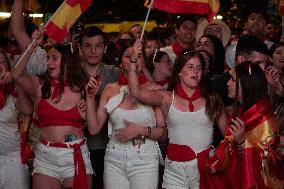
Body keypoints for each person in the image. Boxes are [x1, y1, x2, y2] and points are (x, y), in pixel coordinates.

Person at [128, 40, 227, 189]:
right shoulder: (166, 98)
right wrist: (133, 60)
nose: (195, 72)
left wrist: (220, 159)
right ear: (179, 70)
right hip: (174, 171)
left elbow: (229, 136)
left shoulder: (212, 98)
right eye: (190, 67)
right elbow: (135, 92)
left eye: (199, 68)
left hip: (205, 167)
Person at [9, 29, 94, 189]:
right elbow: (16, 75)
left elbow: (94, 125)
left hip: (75, 154)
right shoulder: (39, 85)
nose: (48, 63)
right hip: (45, 157)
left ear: (68, 62)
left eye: (54, 58)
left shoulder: (82, 87)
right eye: (48, 58)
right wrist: (33, 45)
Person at [85, 39, 166, 189]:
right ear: (120, 62)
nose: (133, 59)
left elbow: (163, 133)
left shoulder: (155, 90)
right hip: (114, 157)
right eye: (128, 56)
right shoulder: (110, 89)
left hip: (145, 157)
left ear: (143, 62)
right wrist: (89, 97)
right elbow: (94, 129)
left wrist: (141, 130)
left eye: (138, 56)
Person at [226, 62, 284, 189]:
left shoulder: (263, 116)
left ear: (246, 85)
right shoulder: (239, 111)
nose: (228, 83)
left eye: (233, 80)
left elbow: (269, 161)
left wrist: (242, 143)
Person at [78, 26, 120, 189]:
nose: (93, 51)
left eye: (98, 46)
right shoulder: (70, 73)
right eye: (88, 46)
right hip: (75, 145)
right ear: (80, 49)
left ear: (105, 48)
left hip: (106, 146)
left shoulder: (115, 74)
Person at [0, 49, 32, 189]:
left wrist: (16, 80)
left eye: (1, 61)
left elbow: (27, 110)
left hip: (13, 161)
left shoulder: (13, 94)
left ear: (7, 67)